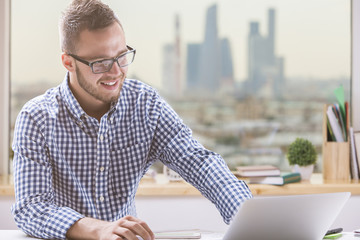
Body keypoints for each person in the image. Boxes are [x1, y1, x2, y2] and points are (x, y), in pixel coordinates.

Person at [11, 0, 253, 239]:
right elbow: (31, 208)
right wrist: (98, 229)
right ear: (68, 62)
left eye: (122, 56)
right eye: (101, 63)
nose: (116, 72)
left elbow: (200, 164)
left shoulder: (145, 105)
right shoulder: (37, 119)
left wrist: (249, 218)